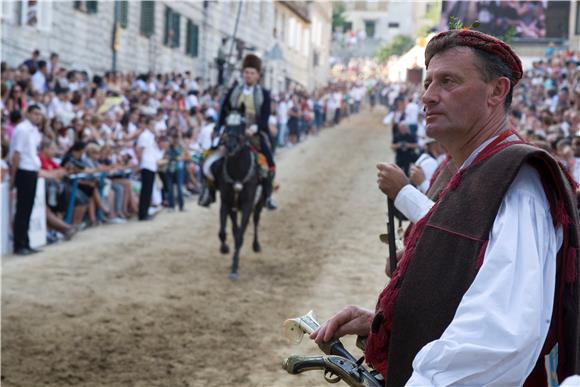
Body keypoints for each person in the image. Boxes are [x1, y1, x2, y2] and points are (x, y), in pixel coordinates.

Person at [311, 29, 579, 386]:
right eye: (427, 82)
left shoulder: (517, 183)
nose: (427, 96)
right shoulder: (477, 169)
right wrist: (391, 318)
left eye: (448, 82)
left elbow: (499, 336)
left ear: (497, 91)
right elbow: (459, 288)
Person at [199, 54, 276, 209]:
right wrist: (217, 128)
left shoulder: (264, 94)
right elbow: (223, 111)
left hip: (253, 132)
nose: (248, 75)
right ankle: (209, 192)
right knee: (207, 157)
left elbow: (265, 115)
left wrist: (256, 127)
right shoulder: (234, 90)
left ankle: (267, 196)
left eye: (252, 73)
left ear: (258, 75)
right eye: (246, 72)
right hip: (232, 131)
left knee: (270, 162)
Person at [9, 105, 43, 255]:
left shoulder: (34, 130)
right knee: (23, 209)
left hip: (31, 171)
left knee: (28, 208)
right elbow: (17, 154)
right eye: (35, 114)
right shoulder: (22, 129)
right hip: (24, 171)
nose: (38, 117)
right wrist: (13, 177)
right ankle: (19, 244)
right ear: (27, 114)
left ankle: (26, 242)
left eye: (39, 115)